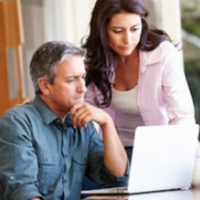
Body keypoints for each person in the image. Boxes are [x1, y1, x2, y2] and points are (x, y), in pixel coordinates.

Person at [0, 41, 128, 200]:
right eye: (71, 80)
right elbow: (23, 192)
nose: (83, 88)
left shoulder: (83, 122)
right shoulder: (17, 122)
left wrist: (107, 123)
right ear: (45, 86)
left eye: (83, 77)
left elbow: (116, 179)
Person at [82, 0, 195, 160]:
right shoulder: (92, 61)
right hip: (113, 151)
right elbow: (83, 107)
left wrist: (174, 155)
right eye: (118, 30)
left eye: (134, 29)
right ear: (102, 30)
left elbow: (182, 115)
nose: (128, 39)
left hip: (160, 148)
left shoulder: (163, 54)